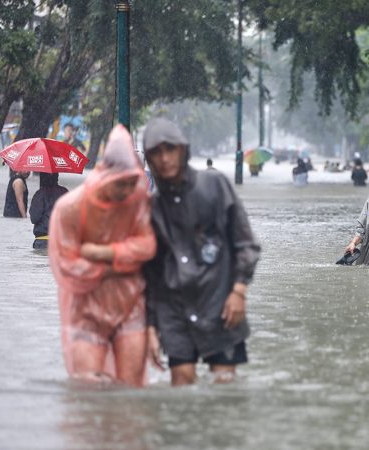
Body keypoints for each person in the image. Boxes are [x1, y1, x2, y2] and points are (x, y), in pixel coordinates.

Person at [142, 117, 261, 386]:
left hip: (220, 301)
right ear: (149, 159)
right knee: (181, 383)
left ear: (183, 150)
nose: (164, 159)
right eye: (156, 153)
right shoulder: (152, 207)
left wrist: (239, 291)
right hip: (174, 309)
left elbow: (245, 243)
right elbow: (152, 274)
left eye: (170, 149)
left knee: (224, 384)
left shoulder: (214, 185)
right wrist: (150, 326)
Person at [48, 125, 156, 387]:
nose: (126, 191)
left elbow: (149, 247)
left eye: (132, 183)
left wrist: (103, 253)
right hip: (85, 311)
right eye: (121, 184)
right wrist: (120, 266)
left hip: (130, 307)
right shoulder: (70, 208)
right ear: (105, 175)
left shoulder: (137, 203)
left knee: (132, 389)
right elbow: (66, 265)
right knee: (87, 386)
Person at [29, 173, 69, 249]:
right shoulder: (65, 192)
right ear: (57, 177)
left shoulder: (39, 194)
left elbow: (34, 218)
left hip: (42, 241)